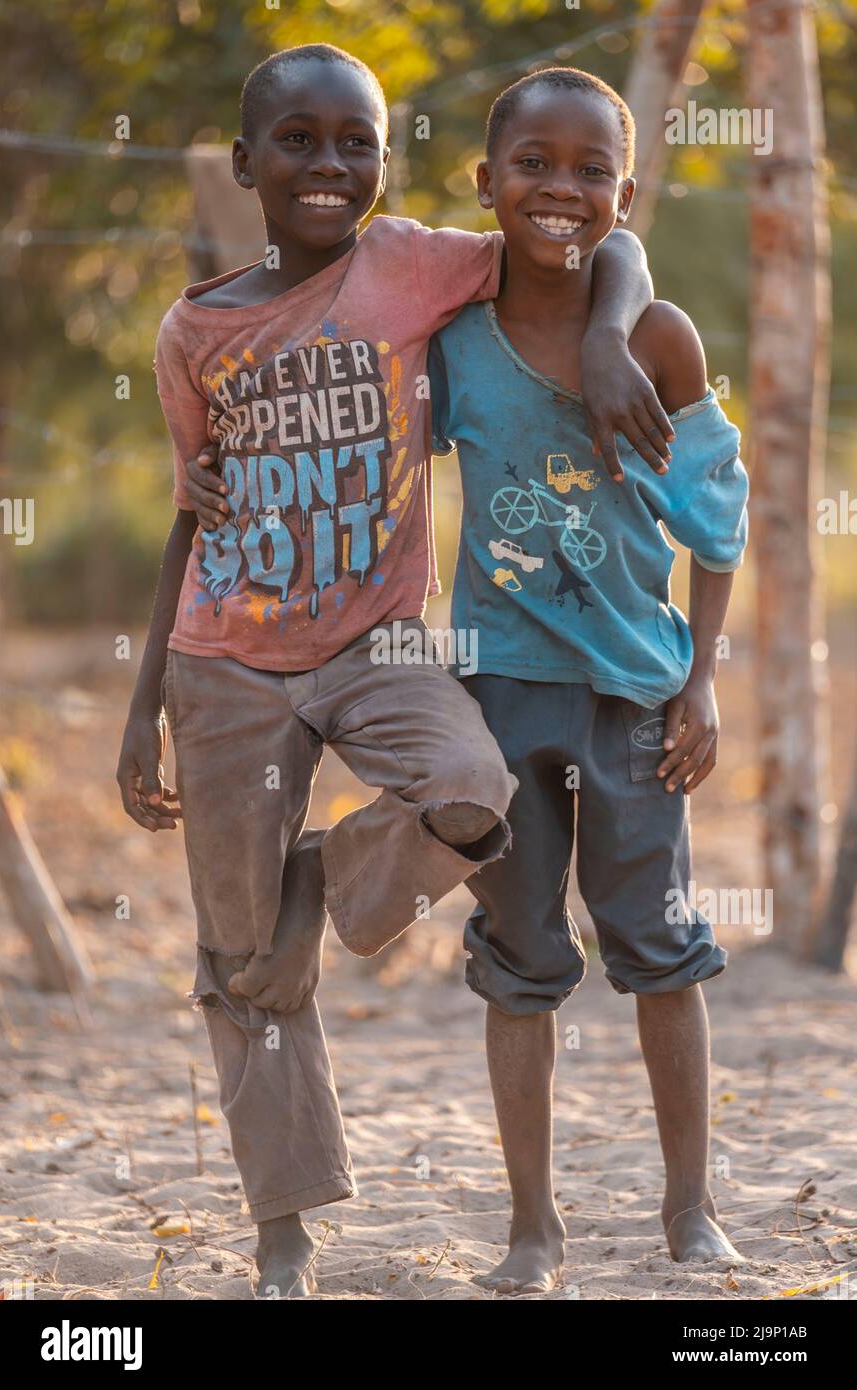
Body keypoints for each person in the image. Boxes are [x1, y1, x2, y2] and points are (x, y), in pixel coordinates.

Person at [119, 44, 671, 1298]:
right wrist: (140, 701)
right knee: (239, 967)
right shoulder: (193, 327)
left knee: (475, 786)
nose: (329, 166)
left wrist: (606, 336)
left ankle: (319, 893)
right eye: (299, 143)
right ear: (249, 161)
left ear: (387, 159)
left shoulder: (414, 262)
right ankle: (284, 1236)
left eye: (355, 142)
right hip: (222, 666)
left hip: (376, 644)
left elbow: (601, 242)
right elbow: (189, 512)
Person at [423, 67, 749, 1293]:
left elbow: (714, 523)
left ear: (625, 191)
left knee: (659, 948)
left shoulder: (658, 335)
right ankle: (530, 1227)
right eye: (532, 165)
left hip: (633, 692)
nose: (560, 189)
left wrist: (701, 679)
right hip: (501, 688)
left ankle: (689, 1208)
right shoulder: (453, 337)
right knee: (518, 957)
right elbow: (396, 484)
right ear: (485, 182)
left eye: (589, 171)